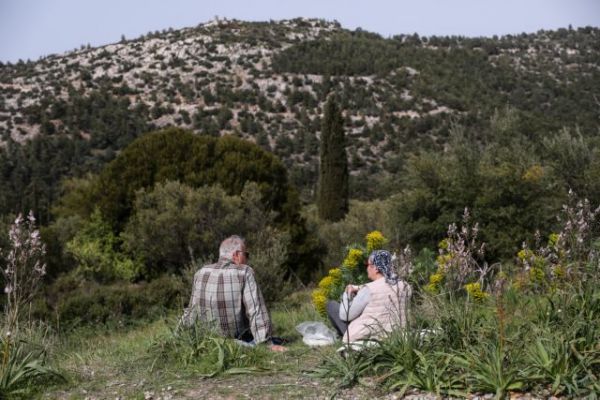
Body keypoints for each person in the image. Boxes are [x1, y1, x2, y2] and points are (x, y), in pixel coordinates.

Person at [182, 235, 286, 351]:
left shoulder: (201, 272)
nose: (247, 259)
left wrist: (180, 336)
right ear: (236, 255)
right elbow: (256, 310)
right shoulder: (244, 272)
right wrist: (266, 343)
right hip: (236, 344)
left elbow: (191, 311)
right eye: (246, 255)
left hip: (207, 343)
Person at [326, 250, 412, 343]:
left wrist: (346, 294)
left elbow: (345, 316)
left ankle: (343, 341)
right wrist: (358, 288)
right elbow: (385, 285)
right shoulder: (405, 286)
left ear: (375, 268)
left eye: (367, 265)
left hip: (369, 337)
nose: (366, 268)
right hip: (397, 334)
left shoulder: (369, 290)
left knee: (331, 305)